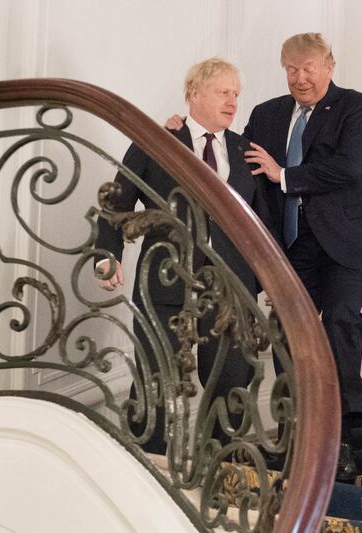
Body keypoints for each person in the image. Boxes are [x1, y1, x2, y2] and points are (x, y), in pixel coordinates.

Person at [243, 32, 362, 481]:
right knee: (290, 331)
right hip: (295, 244)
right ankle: (296, 436)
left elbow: (348, 166)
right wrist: (188, 131)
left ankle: (341, 438)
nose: (300, 77)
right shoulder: (267, 114)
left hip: (351, 238)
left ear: (329, 65)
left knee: (339, 319)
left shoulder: (357, 106)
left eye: (309, 67)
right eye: (291, 68)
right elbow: (239, 162)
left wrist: (285, 175)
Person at [95, 58, 271, 455]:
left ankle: (222, 470)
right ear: (194, 93)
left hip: (230, 288)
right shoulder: (156, 141)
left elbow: (262, 225)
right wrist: (107, 254)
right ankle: (149, 466)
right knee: (157, 379)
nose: (233, 101)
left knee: (230, 384)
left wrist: (269, 280)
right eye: (224, 92)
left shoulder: (246, 151)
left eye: (237, 94)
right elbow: (116, 203)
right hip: (164, 281)